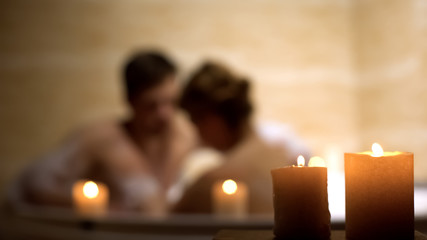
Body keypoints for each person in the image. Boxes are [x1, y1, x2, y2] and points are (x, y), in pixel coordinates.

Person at [8, 51, 196, 214]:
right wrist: (99, 208)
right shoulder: (102, 138)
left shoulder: (185, 134)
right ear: (130, 101)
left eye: (171, 102)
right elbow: (32, 186)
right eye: (151, 105)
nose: (164, 115)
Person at [173, 62, 310, 214]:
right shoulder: (284, 158)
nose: (196, 132)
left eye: (195, 120)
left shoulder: (212, 183)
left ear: (212, 119)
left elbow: (164, 228)